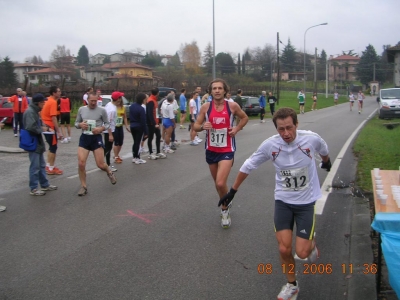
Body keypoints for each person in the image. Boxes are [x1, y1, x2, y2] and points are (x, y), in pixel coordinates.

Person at [218, 107, 331, 299]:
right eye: (281, 129)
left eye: (289, 127)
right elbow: (248, 165)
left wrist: (326, 162)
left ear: (296, 124)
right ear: (276, 128)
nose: (286, 133)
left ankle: (311, 244)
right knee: (283, 248)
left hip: (305, 203)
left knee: (302, 253)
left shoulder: (311, 138)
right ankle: (291, 285)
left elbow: (324, 150)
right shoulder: (270, 145)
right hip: (283, 202)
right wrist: (232, 192)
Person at [193, 78, 248, 228]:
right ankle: (227, 199)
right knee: (217, 185)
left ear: (225, 90)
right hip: (211, 150)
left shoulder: (232, 106)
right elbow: (195, 126)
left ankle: (225, 210)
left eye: (220, 88)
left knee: (220, 182)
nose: (217, 90)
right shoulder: (205, 107)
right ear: (210, 91)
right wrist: (203, 126)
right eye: (214, 88)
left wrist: (236, 129)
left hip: (227, 150)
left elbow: (244, 118)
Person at [75, 92, 116, 196]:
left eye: (95, 101)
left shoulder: (102, 110)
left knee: (100, 165)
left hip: (96, 138)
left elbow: (107, 124)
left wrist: (100, 128)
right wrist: (80, 125)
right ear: (87, 100)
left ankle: (109, 172)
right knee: (81, 163)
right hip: (85, 138)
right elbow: (76, 123)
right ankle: (83, 187)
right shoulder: (81, 109)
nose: (93, 103)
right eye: (91, 101)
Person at [23, 93, 58, 196]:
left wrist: (45, 126)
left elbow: (38, 124)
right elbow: (30, 127)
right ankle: (33, 188)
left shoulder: (35, 111)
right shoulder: (30, 112)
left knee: (41, 165)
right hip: (32, 142)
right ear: (38, 103)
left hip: (37, 142)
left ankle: (44, 184)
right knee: (35, 166)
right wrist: (43, 129)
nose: (44, 104)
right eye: (43, 102)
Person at [41, 86, 63, 175]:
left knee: (51, 147)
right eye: (58, 91)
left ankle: (49, 165)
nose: (60, 93)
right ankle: (50, 168)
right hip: (50, 127)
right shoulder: (53, 102)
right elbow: (54, 117)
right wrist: (58, 131)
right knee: (53, 147)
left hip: (45, 125)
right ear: (54, 93)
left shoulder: (46, 100)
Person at [146, 88, 166, 160]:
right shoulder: (151, 101)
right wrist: (154, 123)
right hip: (151, 123)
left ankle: (158, 151)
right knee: (150, 137)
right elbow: (149, 113)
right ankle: (151, 153)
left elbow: (155, 112)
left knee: (158, 136)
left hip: (156, 121)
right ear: (157, 93)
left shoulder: (154, 100)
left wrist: (158, 121)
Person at [130, 93, 148, 164]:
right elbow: (143, 121)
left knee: (135, 142)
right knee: (138, 142)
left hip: (132, 126)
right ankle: (137, 157)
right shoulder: (141, 109)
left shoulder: (132, 106)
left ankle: (134, 157)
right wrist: (146, 131)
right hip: (139, 127)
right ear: (143, 99)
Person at [112, 91, 130, 164]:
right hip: (115, 127)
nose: (120, 99)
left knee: (121, 142)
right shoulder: (113, 107)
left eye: (121, 98)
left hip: (120, 126)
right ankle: (116, 156)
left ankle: (117, 155)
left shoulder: (123, 107)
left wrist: (126, 126)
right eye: (119, 98)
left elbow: (125, 117)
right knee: (116, 143)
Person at [103, 92, 118, 172]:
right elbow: (108, 122)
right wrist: (110, 134)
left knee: (107, 147)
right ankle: (107, 164)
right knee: (108, 148)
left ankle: (104, 163)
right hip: (109, 131)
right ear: (118, 99)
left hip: (110, 130)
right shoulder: (111, 109)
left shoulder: (110, 104)